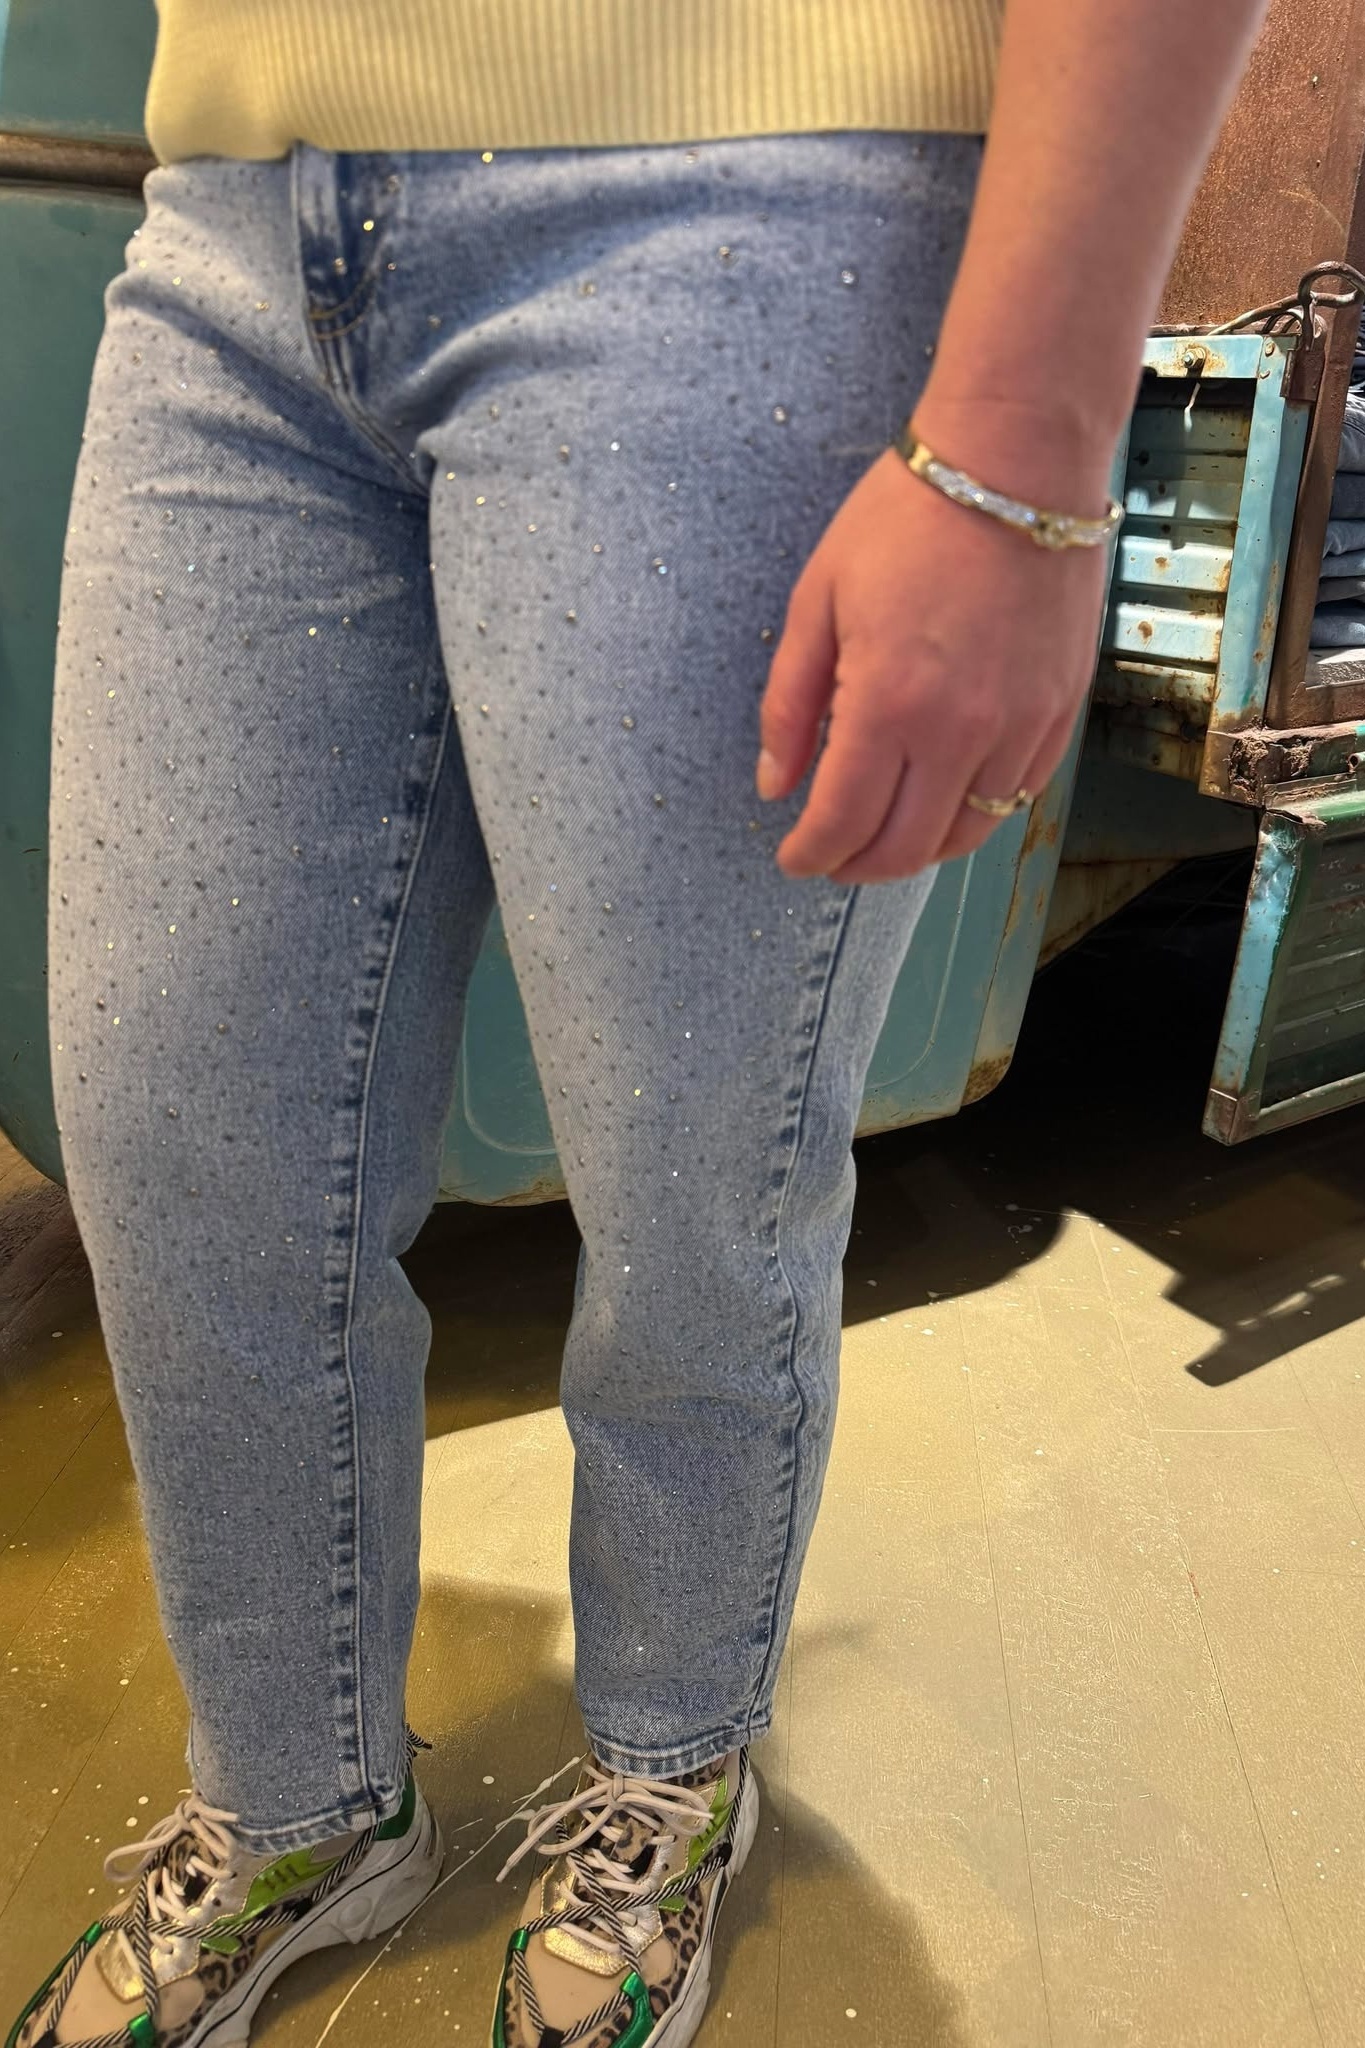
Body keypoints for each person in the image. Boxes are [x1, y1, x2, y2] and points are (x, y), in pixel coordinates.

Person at [13, 1, 1265, 2044]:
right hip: (233, 228)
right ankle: (298, 1801)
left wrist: (1022, 451)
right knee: (178, 1156)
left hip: (748, 209)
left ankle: (670, 1762)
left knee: (692, 1171)